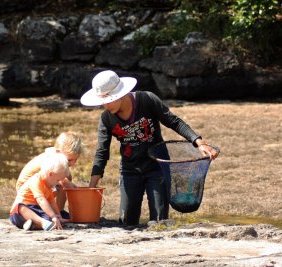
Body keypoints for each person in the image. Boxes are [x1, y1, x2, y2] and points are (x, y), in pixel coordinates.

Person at [80, 70, 218, 225]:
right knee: (126, 221)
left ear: (121, 93)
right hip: (130, 170)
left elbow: (174, 121)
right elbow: (102, 152)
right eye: (102, 101)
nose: (105, 105)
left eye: (108, 100)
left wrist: (199, 142)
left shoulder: (147, 100)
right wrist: (92, 187)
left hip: (157, 166)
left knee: (160, 219)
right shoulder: (106, 119)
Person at [16, 132, 83, 216]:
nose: (72, 163)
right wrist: (73, 187)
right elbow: (62, 181)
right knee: (65, 180)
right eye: (69, 160)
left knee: (67, 176)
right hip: (27, 195)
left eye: (75, 160)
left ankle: (59, 210)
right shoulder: (49, 160)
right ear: (58, 152)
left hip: (40, 192)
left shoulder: (58, 158)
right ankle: (37, 214)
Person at [10, 153, 71, 230]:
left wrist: (58, 215)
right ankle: (41, 222)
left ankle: (34, 225)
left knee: (59, 216)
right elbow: (41, 200)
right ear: (50, 174)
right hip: (20, 213)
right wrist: (53, 216)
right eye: (57, 180)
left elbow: (52, 203)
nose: (58, 182)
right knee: (19, 207)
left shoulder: (48, 187)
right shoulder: (35, 181)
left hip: (36, 210)